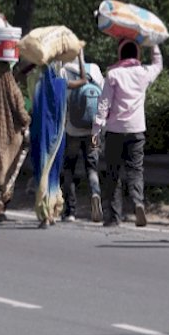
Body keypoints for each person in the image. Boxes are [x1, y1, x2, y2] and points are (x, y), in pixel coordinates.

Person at [91, 40, 163, 227]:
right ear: (137, 56)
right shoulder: (143, 73)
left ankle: (114, 217)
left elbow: (103, 104)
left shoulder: (113, 74)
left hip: (115, 131)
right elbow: (158, 65)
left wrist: (96, 131)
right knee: (135, 170)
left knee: (113, 173)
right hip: (137, 129)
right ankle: (138, 202)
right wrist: (153, 44)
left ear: (120, 55)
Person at [60, 51, 105, 222]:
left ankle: (70, 211)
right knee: (92, 166)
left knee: (69, 168)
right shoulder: (94, 69)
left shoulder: (64, 71)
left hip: (72, 129)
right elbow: (102, 94)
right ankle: (95, 193)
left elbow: (63, 100)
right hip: (93, 130)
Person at [0, 60, 31, 222]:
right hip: (12, 135)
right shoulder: (12, 86)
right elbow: (20, 110)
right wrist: (28, 120)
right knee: (11, 170)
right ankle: (1, 205)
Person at [30, 61, 68, 229]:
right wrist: (80, 59)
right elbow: (82, 80)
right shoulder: (62, 84)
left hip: (40, 137)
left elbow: (20, 74)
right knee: (53, 175)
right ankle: (51, 212)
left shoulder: (36, 83)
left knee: (42, 174)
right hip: (58, 139)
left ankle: (45, 214)